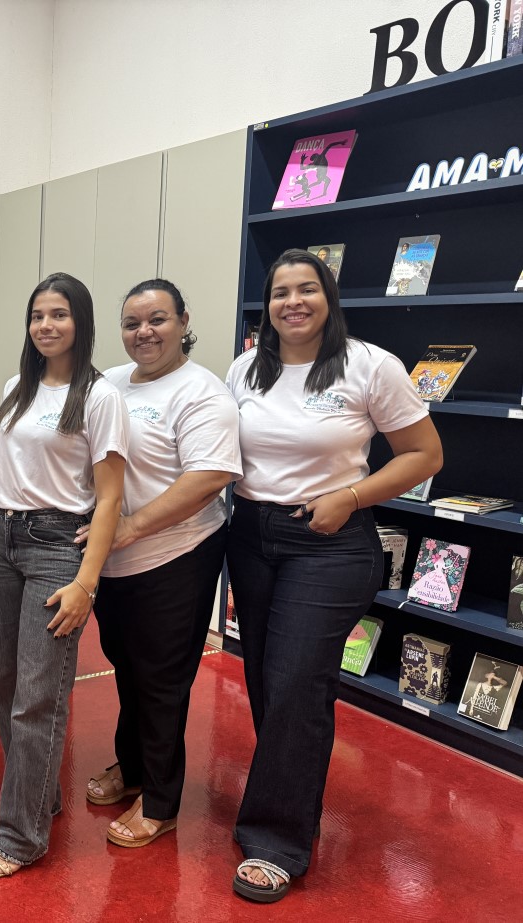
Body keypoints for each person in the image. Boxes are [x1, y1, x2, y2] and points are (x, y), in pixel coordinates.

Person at [225, 248, 442, 903]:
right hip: (251, 533)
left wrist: (348, 497)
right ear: (266, 304)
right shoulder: (245, 368)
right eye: (280, 291)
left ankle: (276, 840)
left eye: (307, 289)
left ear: (328, 297)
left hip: (329, 540)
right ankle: (290, 800)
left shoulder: (370, 365)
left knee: (295, 680)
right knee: (268, 680)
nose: (293, 302)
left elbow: (424, 454)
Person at [0, 272, 127, 879]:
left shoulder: (99, 395)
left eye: (59, 314)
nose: (46, 325)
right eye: (37, 315)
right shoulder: (19, 387)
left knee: (38, 698)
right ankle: (41, 796)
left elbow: (110, 498)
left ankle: (20, 836)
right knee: (6, 686)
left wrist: (87, 581)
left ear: (80, 322)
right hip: (1, 538)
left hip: (57, 546)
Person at [85, 279, 241, 848]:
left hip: (176, 556)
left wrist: (129, 528)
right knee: (128, 668)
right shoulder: (109, 382)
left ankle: (160, 800)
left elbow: (208, 477)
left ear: (183, 322)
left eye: (157, 320)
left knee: (162, 682)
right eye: (132, 323)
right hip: (115, 561)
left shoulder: (201, 392)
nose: (144, 332)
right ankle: (132, 768)